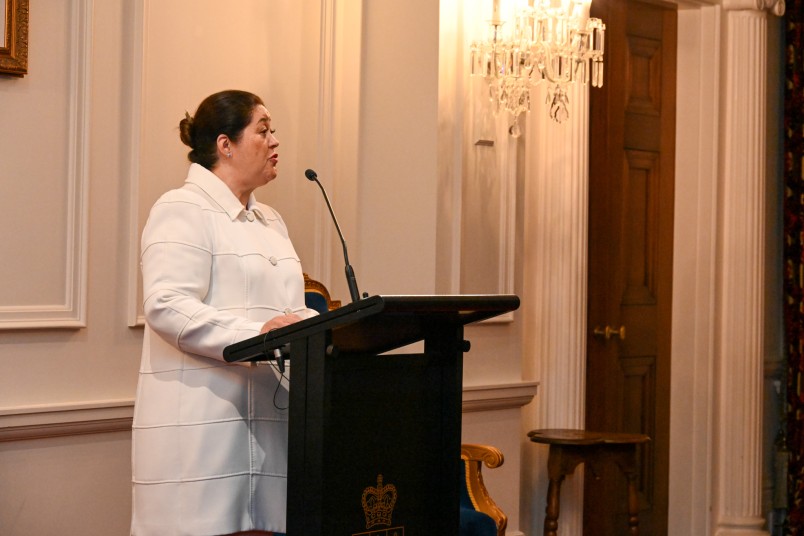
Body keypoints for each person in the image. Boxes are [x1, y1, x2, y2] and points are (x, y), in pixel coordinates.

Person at [131, 90, 317, 536]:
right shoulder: (181, 207)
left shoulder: (271, 220)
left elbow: (288, 311)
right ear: (225, 144)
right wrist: (259, 335)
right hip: (204, 426)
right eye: (263, 130)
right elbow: (167, 305)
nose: (275, 142)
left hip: (270, 422)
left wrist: (319, 327)